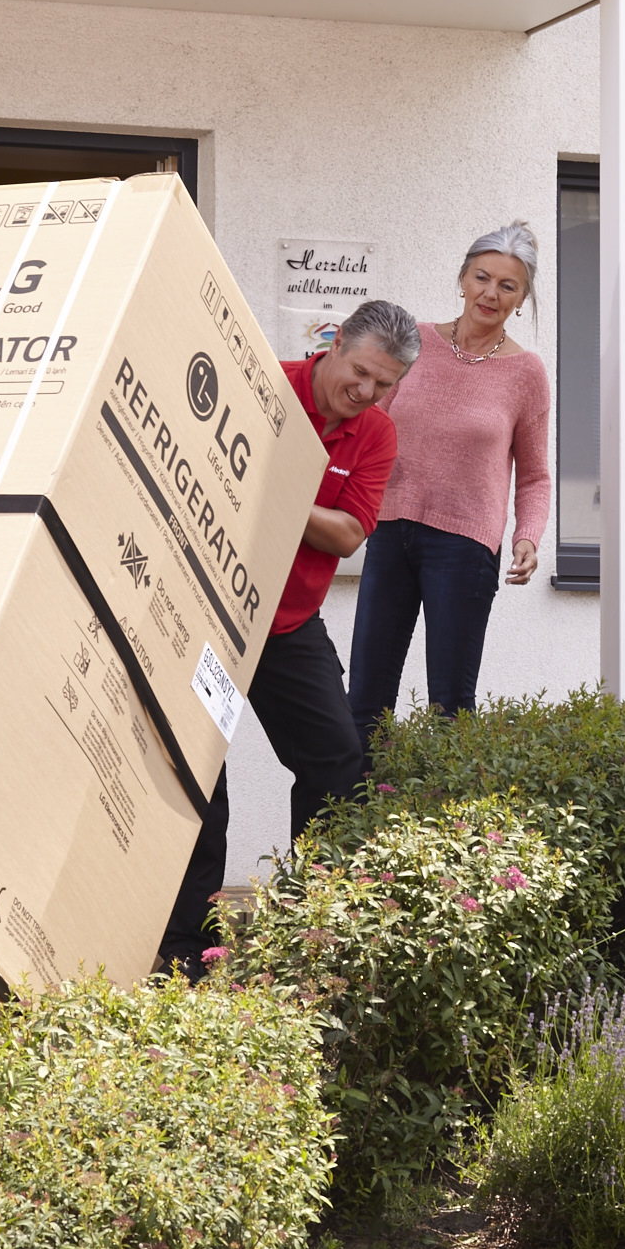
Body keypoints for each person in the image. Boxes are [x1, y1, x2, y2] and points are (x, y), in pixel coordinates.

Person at [158, 303, 415, 973]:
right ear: (334, 347)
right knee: (201, 780)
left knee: (338, 763)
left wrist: (280, 495)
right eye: (360, 373)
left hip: (288, 625)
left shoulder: (377, 435)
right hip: (209, 622)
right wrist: (306, 509)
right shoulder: (263, 389)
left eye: (382, 385)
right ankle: (185, 946)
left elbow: (351, 532)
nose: (365, 392)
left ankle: (317, 929)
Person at [345, 223, 552, 733]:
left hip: (464, 548)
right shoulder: (414, 344)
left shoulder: (526, 373)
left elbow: (535, 476)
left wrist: (527, 535)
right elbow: (368, 427)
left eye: (508, 285)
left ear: (522, 298)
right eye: (483, 277)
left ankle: (447, 815)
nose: (491, 293)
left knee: (450, 710)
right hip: (390, 532)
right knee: (365, 701)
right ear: (462, 278)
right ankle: (358, 810)